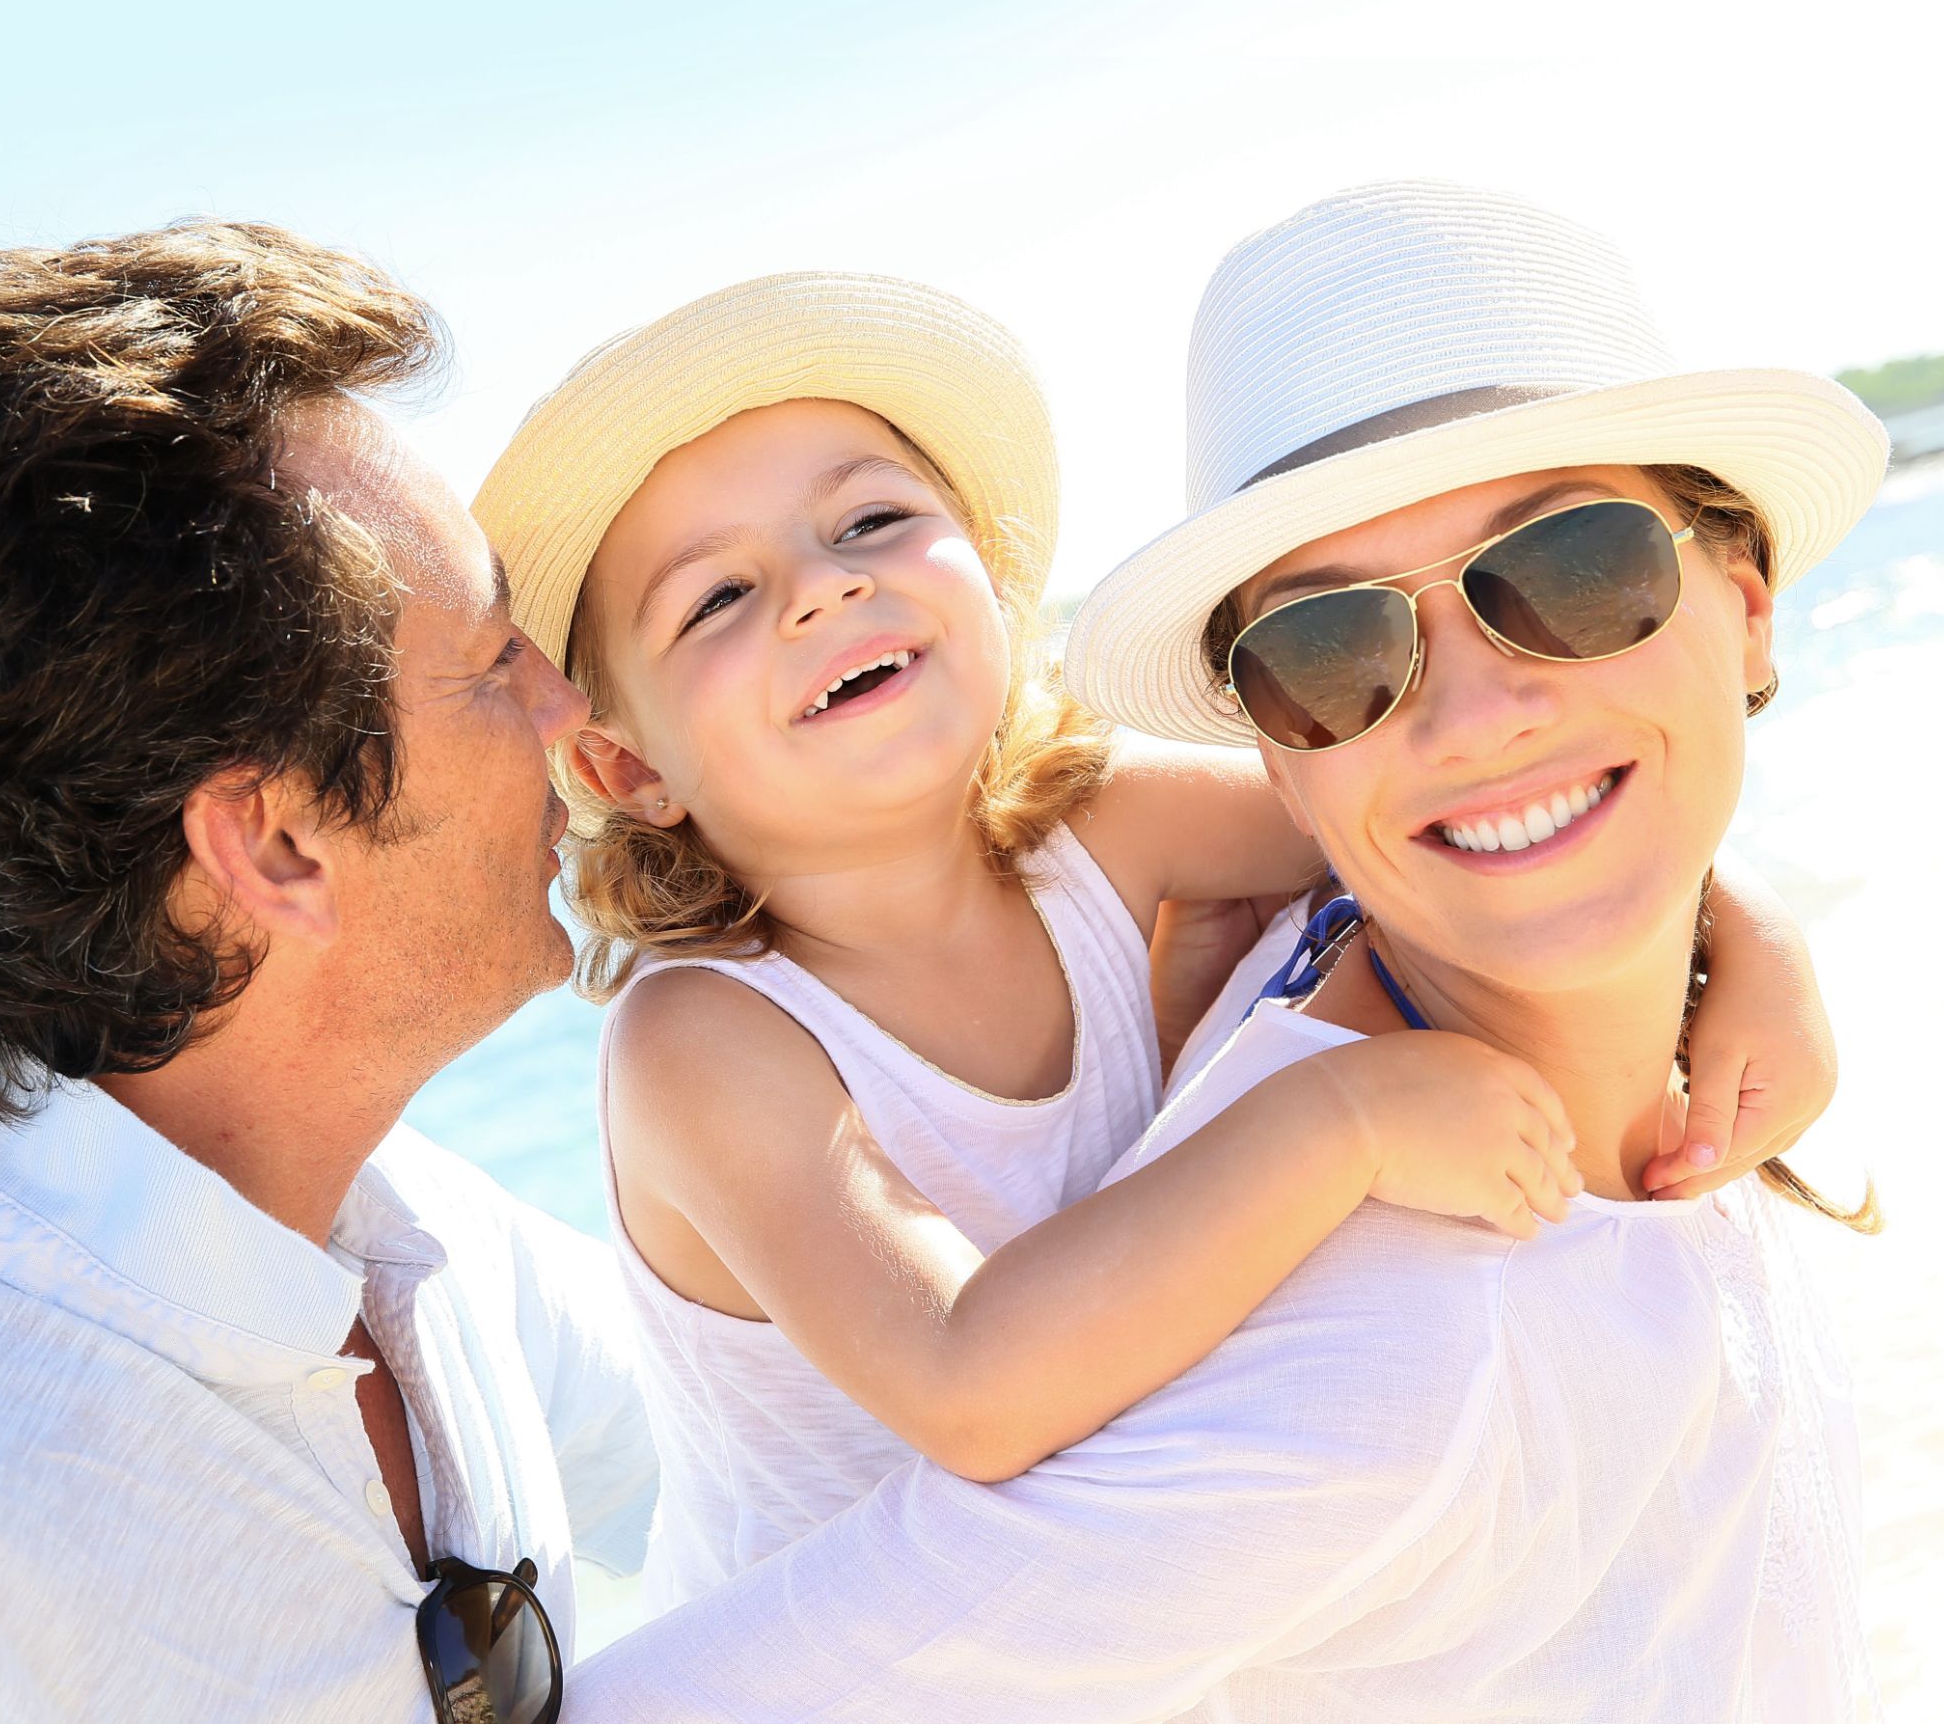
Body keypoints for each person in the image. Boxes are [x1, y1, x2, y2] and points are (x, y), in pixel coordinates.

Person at [560, 182, 1886, 1723]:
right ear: (618, 770)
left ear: (991, 578)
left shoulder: (1103, 832)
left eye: (869, 521)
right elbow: (971, 1390)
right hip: (895, 1645)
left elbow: (1482, 828)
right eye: (718, 597)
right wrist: (1337, 1119)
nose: (823, 585)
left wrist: (1747, 931)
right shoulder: (708, 1044)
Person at [0, 223, 656, 1724]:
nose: (566, 706)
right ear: (274, 844)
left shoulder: (408, 1230)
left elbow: (788, 1485)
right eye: (493, 664)